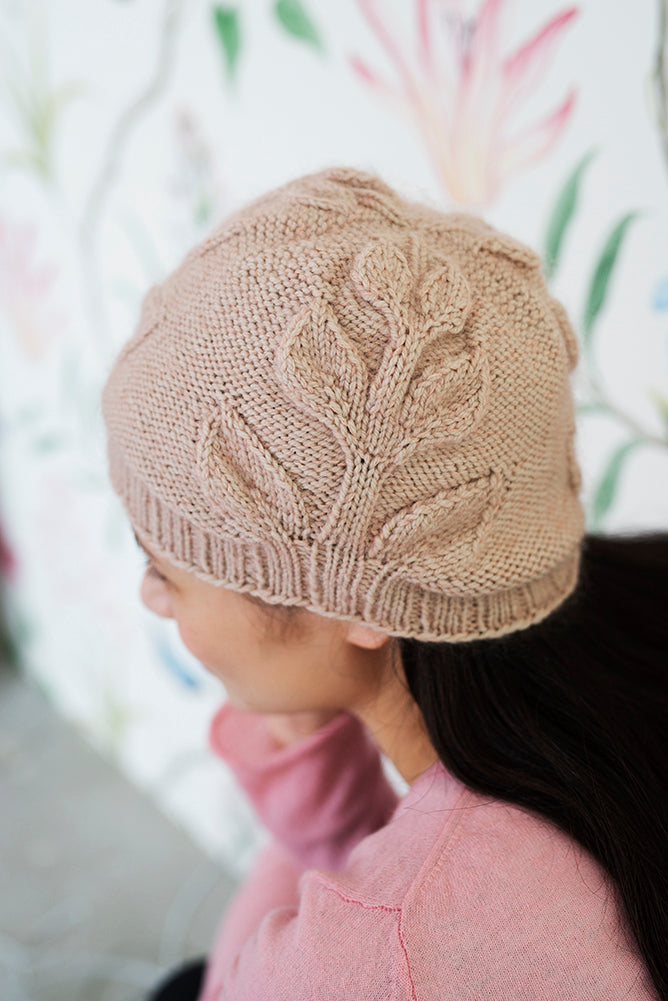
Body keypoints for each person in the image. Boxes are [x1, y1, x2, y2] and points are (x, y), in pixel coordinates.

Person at [101, 167, 667, 1001]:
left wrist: (311, 799)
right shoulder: (644, 596)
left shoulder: (390, 943)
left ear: (351, 602)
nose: (152, 597)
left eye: (164, 567)